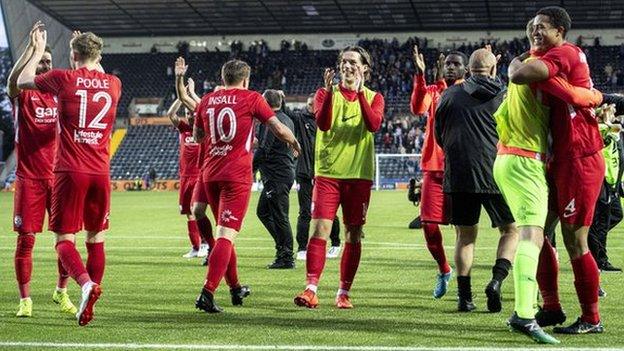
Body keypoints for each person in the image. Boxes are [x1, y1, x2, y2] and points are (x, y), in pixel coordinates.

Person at [497, 18, 604, 343]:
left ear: (560, 32)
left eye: (543, 26)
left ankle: (591, 317)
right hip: (558, 159)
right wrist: (592, 95)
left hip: (579, 158)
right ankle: (551, 307)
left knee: (575, 240)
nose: (535, 31)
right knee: (539, 231)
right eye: (531, 26)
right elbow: (575, 93)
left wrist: (516, 60)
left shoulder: (564, 54)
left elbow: (520, 74)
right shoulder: (552, 60)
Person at [17, 29, 122, 326]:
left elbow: (24, 81)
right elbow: (94, 71)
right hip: (101, 172)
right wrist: (88, 55)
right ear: (99, 56)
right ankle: (88, 304)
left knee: (64, 239)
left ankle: (86, 284)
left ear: (73, 56)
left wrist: (37, 50)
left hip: (69, 170)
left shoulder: (64, 78)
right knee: (96, 239)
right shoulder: (114, 83)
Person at [188, 58, 301, 313]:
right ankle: (207, 292)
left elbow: (197, 136)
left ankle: (236, 287)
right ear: (246, 80)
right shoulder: (251, 98)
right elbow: (277, 128)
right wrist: (295, 142)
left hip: (211, 174)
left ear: (223, 77)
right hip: (236, 175)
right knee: (226, 236)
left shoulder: (206, 101)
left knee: (224, 235)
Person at [294, 45, 384, 309]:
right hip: (328, 174)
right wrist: (334, 94)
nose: (347, 66)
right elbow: (323, 123)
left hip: (358, 176)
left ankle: (343, 292)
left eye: (353, 62)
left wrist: (358, 94)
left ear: (364, 68)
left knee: (353, 234)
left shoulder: (374, 97)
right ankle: (311, 289)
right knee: (319, 229)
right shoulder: (325, 93)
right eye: (344, 61)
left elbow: (373, 124)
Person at [434, 48, 518, 313]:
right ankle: (496, 280)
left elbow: (439, 136)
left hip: (459, 174)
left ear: (468, 71)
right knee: (510, 230)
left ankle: (464, 298)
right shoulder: (506, 96)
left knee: (465, 237)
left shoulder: (448, 95)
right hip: (497, 173)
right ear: (494, 70)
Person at [7, 21, 77, 318]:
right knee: (26, 241)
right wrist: (33, 49)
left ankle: (61, 291)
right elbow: (13, 82)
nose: (45, 65)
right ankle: (25, 299)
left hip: (59, 178)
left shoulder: (60, 93)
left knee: (66, 238)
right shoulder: (25, 94)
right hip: (29, 178)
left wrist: (75, 58)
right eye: (42, 62)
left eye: (49, 61)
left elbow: (82, 80)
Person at [409, 45, 467, 299]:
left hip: (462, 167)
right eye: (448, 64)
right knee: (429, 225)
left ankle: (465, 283)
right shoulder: (433, 91)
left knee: (462, 229)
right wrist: (421, 76)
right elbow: (416, 108)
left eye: (456, 64)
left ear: (465, 69)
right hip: (433, 167)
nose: (451, 67)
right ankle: (444, 269)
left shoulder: (469, 91)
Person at [285, 93, 341, 261]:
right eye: (309, 104)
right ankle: (302, 248)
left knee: (329, 211)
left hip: (326, 174)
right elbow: (286, 112)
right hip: (304, 173)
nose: (310, 107)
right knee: (304, 212)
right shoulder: (301, 118)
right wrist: (280, 99)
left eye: (313, 105)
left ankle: (336, 244)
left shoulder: (329, 121)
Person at [175, 75, 216, 267]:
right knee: (196, 211)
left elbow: (197, 103)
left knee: (209, 213)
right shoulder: (188, 126)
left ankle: (212, 248)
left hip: (208, 171)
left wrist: (190, 91)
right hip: (196, 174)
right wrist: (182, 85)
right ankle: (206, 247)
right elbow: (184, 102)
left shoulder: (210, 117)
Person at [254, 89, 297, 269]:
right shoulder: (287, 119)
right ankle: (282, 246)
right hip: (284, 172)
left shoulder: (270, 122)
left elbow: (264, 150)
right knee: (263, 211)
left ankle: (286, 257)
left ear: (265, 103)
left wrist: (249, 170)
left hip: (276, 175)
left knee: (280, 216)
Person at [166, 98, 208, 259]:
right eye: (186, 113)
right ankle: (196, 247)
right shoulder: (183, 129)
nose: (188, 115)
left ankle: (205, 244)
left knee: (197, 210)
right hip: (184, 176)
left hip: (198, 175)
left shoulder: (203, 129)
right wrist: (179, 98)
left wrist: (190, 96)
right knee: (188, 213)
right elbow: (171, 114)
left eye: (191, 112)